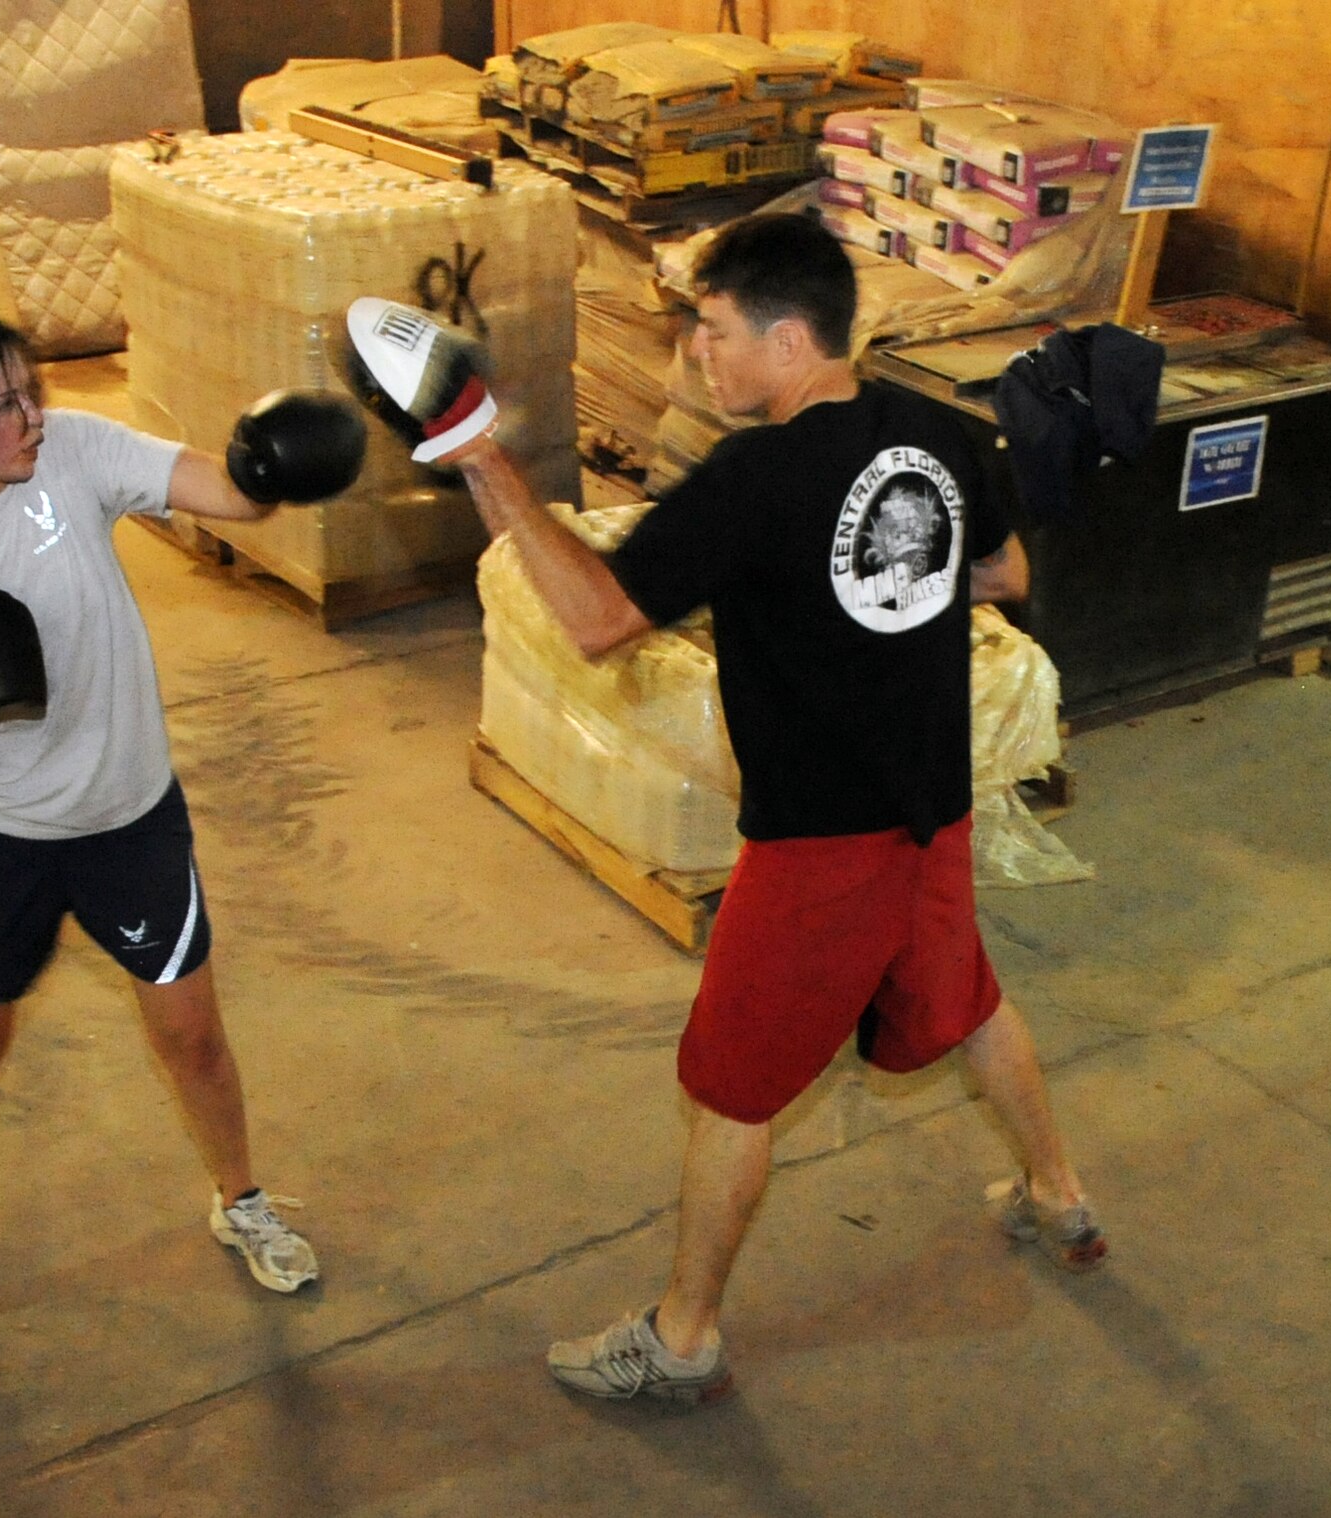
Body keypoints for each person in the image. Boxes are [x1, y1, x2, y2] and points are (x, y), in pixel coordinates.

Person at [425, 215, 1107, 1402]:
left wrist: (482, 462)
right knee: (967, 996)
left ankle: (681, 1337)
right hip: (929, 809)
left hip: (816, 847)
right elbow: (1003, 576)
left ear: (787, 339)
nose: (695, 353)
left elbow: (593, 620)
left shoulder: (750, 481)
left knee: (731, 1089)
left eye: (713, 330)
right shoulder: (939, 433)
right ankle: (1058, 1195)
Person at [0, 310, 358, 1318]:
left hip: (128, 818)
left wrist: (271, 459)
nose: (33, 417)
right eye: (5, 405)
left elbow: (226, 494)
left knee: (192, 1037)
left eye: (34, 390)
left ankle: (238, 1199)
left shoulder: (72, 455)